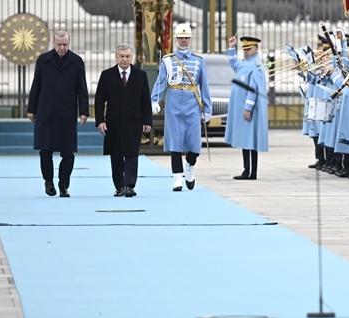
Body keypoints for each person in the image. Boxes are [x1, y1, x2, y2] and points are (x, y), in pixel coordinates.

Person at [27, 30, 88, 197]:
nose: (62, 47)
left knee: (68, 152)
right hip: (45, 112)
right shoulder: (43, 59)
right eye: (59, 44)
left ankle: (63, 185)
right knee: (45, 150)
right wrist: (31, 109)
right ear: (53, 43)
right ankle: (48, 181)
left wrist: (83, 111)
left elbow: (82, 88)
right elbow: (36, 84)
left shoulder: (76, 61)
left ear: (69, 44)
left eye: (65, 44)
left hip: (67, 113)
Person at [151, 24, 211, 191]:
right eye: (181, 38)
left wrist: (207, 108)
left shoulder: (198, 60)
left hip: (192, 102)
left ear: (190, 39)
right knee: (175, 141)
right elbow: (161, 82)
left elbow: (204, 86)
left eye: (186, 38)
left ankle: (190, 165)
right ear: (176, 39)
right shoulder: (168, 60)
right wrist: (155, 100)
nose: (184, 40)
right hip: (174, 102)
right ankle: (177, 176)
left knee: (194, 142)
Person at [95, 44, 153, 197]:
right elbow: (99, 99)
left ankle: (130, 185)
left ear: (131, 57)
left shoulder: (140, 75)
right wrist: (100, 120)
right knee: (116, 155)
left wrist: (147, 121)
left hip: (134, 121)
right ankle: (119, 186)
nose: (125, 59)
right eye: (121, 56)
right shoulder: (107, 75)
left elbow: (145, 100)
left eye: (127, 56)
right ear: (116, 57)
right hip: (113, 122)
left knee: (132, 153)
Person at [225, 35, 268, 179]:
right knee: (246, 140)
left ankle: (251, 172)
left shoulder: (255, 65)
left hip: (249, 110)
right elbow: (234, 65)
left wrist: (248, 108)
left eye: (249, 49)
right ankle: (247, 170)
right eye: (244, 49)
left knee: (250, 140)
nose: (246, 51)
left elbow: (253, 89)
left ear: (256, 49)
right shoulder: (246, 63)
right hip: (243, 108)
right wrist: (232, 48)